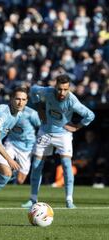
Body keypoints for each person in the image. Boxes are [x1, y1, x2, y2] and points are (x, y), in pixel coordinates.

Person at [21, 74, 95, 209]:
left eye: (65, 89)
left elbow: (90, 115)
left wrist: (77, 126)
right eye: (60, 89)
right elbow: (32, 90)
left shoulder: (72, 101)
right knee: (37, 165)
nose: (62, 92)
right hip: (45, 131)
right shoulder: (47, 91)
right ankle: (32, 199)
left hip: (64, 134)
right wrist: (39, 108)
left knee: (67, 166)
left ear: (69, 88)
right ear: (55, 87)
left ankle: (69, 200)